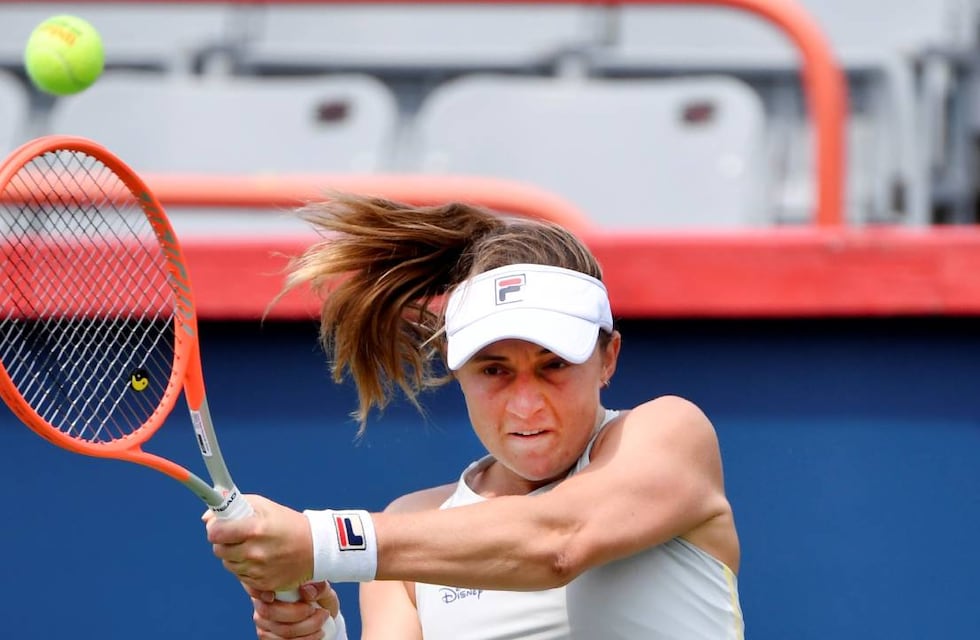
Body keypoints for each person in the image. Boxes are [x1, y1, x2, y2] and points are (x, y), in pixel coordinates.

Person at [205, 192, 745, 639]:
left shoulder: (669, 433)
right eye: (494, 371)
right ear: (457, 370)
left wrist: (321, 542)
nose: (526, 404)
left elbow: (557, 542)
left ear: (608, 358)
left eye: (553, 365)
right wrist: (316, 635)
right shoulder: (412, 523)